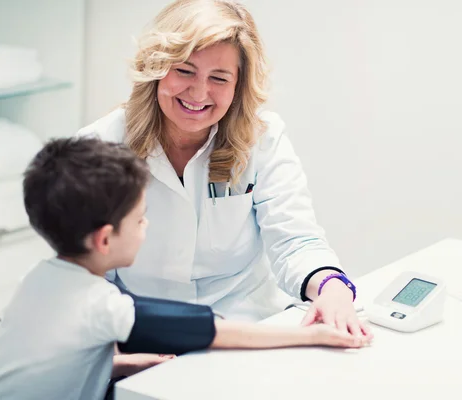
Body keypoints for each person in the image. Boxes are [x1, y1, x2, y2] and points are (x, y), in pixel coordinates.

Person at [0, 137, 370, 400]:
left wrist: (123, 363)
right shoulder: (99, 304)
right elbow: (209, 329)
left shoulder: (39, 279)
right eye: (141, 219)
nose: (147, 227)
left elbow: (49, 359)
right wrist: (308, 335)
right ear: (105, 239)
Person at [78, 0, 372, 336]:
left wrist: (332, 288)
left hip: (247, 325)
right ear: (157, 67)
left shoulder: (262, 138)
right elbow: (90, 272)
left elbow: (295, 239)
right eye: (185, 70)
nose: (199, 92)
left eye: (219, 78)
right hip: (144, 328)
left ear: (238, 87)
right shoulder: (98, 146)